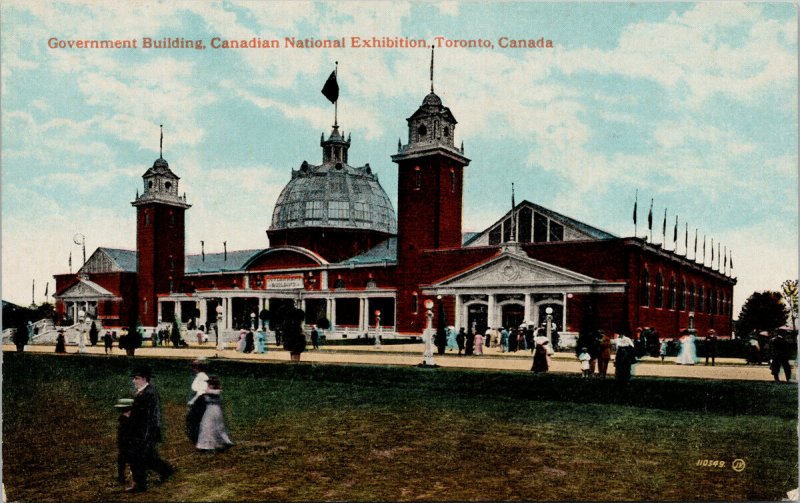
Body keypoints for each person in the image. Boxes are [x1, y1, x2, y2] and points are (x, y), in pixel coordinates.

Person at [127, 366, 173, 493]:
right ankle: (165, 470)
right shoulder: (145, 391)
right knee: (147, 457)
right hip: (142, 432)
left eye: (136, 378)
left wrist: (146, 435)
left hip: (145, 432)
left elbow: (151, 416)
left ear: (144, 379)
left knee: (138, 457)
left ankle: (140, 484)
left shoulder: (149, 393)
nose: (133, 381)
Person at [196, 376, 235, 452]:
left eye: (210, 383)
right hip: (210, 411)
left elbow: (214, 392)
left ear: (213, 384)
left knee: (212, 426)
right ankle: (206, 445)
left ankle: (212, 445)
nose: (208, 385)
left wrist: (207, 391)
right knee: (207, 426)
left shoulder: (217, 391)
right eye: (208, 383)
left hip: (215, 411)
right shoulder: (209, 391)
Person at [186, 359, 209, 445]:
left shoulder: (202, 377)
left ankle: (198, 439)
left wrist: (194, 401)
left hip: (201, 401)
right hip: (200, 400)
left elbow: (202, 391)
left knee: (194, 420)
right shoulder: (200, 376)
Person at [115, 398, 135, 485]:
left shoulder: (126, 419)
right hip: (126, 444)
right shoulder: (125, 419)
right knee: (123, 461)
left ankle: (123, 478)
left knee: (127, 462)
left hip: (128, 444)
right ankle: (121, 477)